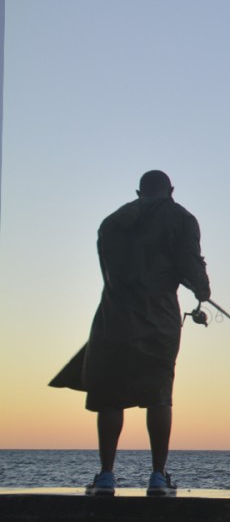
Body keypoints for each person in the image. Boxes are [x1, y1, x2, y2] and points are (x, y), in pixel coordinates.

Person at [52, 171, 211, 497]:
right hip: (159, 322)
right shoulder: (182, 218)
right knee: (159, 396)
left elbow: (111, 270)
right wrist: (202, 290)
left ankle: (106, 476)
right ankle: (157, 476)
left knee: (109, 397)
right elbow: (191, 265)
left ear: (139, 192)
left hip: (114, 319)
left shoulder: (110, 223)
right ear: (171, 191)